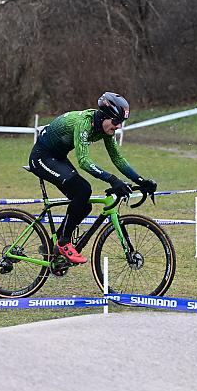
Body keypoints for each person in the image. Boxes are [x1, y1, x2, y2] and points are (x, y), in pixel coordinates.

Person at [28, 91, 157, 264]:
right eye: (116, 122)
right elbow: (84, 161)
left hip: (58, 157)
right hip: (41, 157)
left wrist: (140, 181)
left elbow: (117, 158)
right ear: (104, 117)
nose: (118, 127)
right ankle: (63, 242)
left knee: (84, 205)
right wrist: (112, 180)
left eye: (121, 123)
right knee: (83, 189)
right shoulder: (84, 123)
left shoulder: (105, 129)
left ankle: (53, 246)